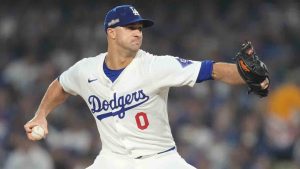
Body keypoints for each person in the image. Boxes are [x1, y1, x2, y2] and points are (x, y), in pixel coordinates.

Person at [24, 5, 269, 169]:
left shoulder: (155, 66)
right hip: (113, 161)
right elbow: (61, 85)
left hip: (161, 159)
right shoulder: (86, 70)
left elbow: (211, 69)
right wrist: (41, 115)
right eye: (130, 27)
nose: (137, 33)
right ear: (111, 32)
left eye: (139, 28)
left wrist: (244, 74)